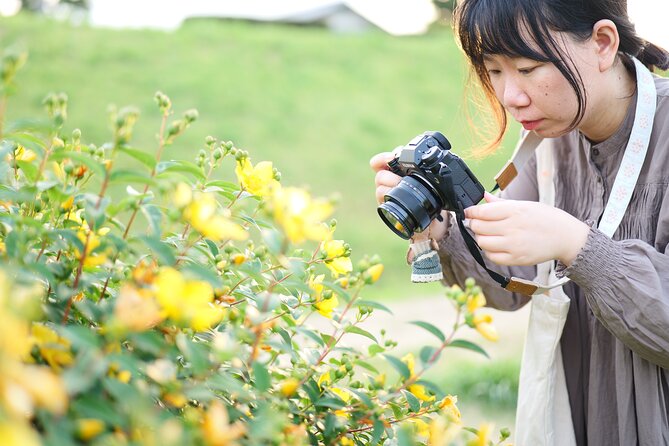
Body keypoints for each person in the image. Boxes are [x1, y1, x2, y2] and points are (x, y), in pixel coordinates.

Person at [371, 0, 669, 444]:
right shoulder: (552, 138)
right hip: (576, 415)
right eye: (493, 71)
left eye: (527, 68)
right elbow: (509, 287)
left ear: (603, 44)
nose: (511, 96)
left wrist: (577, 245)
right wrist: (444, 230)